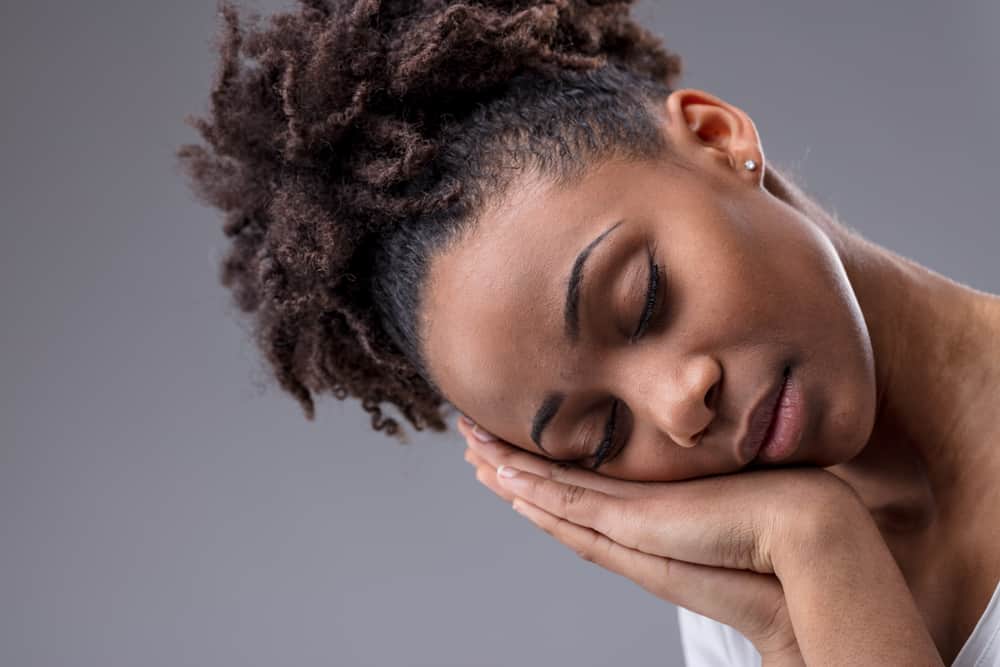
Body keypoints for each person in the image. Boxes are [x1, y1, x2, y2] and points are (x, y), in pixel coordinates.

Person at [177, 1, 1000, 664]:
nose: (681, 408)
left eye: (643, 300)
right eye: (601, 433)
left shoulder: (797, 548)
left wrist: (825, 553)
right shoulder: (761, 587)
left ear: (717, 138)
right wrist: (801, 608)